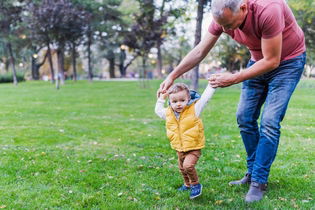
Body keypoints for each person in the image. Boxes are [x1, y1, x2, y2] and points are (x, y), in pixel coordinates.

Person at [157, 0, 306, 203]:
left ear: (243, 8)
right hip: (256, 62)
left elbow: (272, 60)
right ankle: (253, 172)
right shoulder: (223, 15)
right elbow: (201, 50)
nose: (226, 30)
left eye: (229, 25)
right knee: (244, 117)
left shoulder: (269, 9)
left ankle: (258, 181)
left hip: (287, 64)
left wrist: (235, 77)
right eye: (223, 26)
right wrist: (173, 76)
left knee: (270, 121)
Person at [155, 83, 215, 199]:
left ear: (188, 99)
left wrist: (212, 85)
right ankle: (187, 184)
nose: (178, 104)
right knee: (182, 168)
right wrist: (161, 98)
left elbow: (205, 99)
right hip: (179, 147)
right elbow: (158, 110)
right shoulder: (168, 113)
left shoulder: (194, 109)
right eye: (174, 101)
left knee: (188, 166)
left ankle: (195, 184)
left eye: (182, 100)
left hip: (193, 146)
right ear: (170, 102)